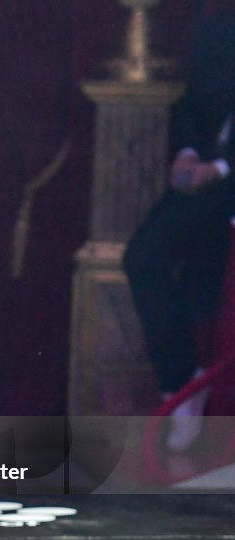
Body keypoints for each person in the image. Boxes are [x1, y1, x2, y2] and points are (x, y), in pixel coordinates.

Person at [124, 16, 235, 449]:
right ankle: (180, 382)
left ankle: (193, 389)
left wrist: (221, 168)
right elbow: (195, 101)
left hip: (225, 179)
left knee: (201, 282)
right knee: (143, 257)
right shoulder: (220, 20)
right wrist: (189, 155)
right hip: (210, 179)